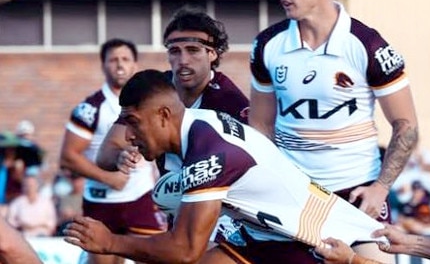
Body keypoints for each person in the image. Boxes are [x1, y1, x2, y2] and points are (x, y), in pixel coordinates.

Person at [64, 69, 389, 264]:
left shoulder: (210, 151)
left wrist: (110, 243)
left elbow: (184, 250)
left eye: (133, 123)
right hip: (268, 236)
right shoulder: (190, 132)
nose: (129, 136)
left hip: (329, 243)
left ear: (163, 116)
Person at [248, 0, 419, 262]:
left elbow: (406, 126)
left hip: (358, 193)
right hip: (295, 194)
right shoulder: (267, 45)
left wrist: (381, 187)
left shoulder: (366, 44)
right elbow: (260, 124)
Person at [95, 6, 249, 242]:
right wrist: (119, 157)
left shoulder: (230, 102)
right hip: (176, 216)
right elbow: (105, 154)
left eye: (193, 50)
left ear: (213, 54)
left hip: (223, 221)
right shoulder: (154, 91)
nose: (183, 60)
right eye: (175, 51)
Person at [59, 38, 164, 264]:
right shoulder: (90, 108)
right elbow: (68, 157)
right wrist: (109, 177)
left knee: (155, 257)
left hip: (141, 196)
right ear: (103, 65)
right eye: (113, 60)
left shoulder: (149, 101)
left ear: (135, 64)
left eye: (125, 59)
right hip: (101, 201)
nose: (119, 65)